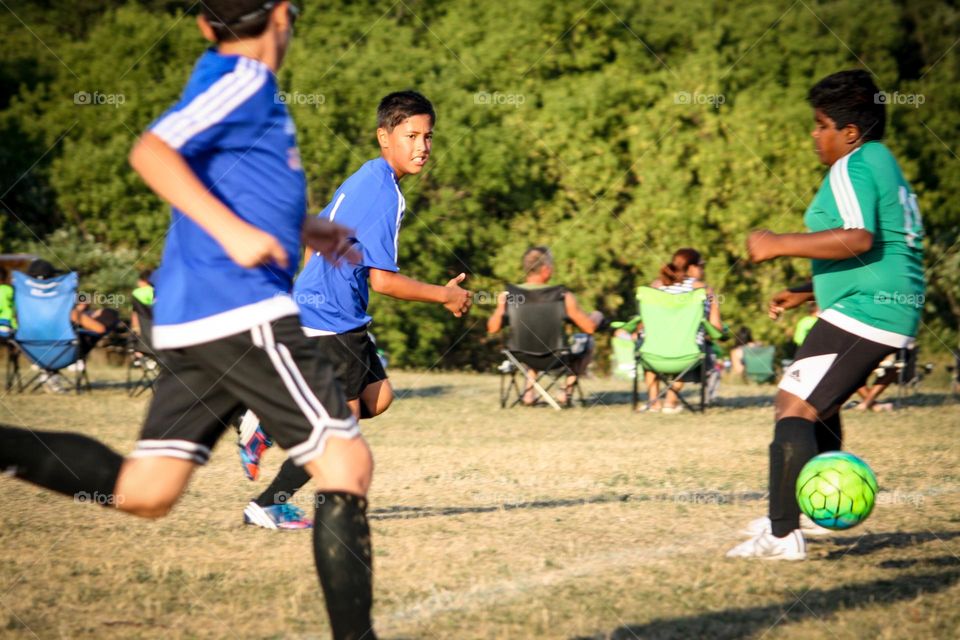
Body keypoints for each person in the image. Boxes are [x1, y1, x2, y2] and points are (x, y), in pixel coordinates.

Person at [0, 3, 381, 638]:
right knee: (346, 466)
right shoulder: (244, 77)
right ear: (284, 14)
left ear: (205, 25)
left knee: (145, 490)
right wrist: (233, 233)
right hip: (239, 307)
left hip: (195, 318)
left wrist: (306, 228)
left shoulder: (235, 83)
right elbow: (152, 152)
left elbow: (235, 183)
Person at [240, 90, 473, 529]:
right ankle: (268, 502)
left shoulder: (367, 176)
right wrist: (445, 295)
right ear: (384, 137)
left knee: (377, 398)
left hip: (333, 314)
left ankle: (272, 419)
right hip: (332, 321)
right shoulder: (386, 196)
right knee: (339, 431)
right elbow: (383, 281)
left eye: (428, 136)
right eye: (411, 135)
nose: (422, 146)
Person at [729, 69, 925, 560]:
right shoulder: (882, 161)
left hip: (870, 309)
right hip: (880, 304)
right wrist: (805, 290)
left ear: (850, 132)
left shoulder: (853, 165)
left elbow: (858, 237)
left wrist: (777, 245)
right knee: (821, 407)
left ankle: (781, 534)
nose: (815, 135)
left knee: (793, 407)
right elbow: (879, 248)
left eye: (821, 125)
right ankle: (813, 511)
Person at [487, 246, 603, 405]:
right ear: (546, 270)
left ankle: (529, 394)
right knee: (587, 342)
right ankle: (565, 391)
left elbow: (492, 328)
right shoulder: (562, 295)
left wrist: (501, 307)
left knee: (532, 341)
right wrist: (597, 316)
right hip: (556, 356)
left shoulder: (510, 296)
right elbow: (589, 328)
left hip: (520, 354)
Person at [643, 248, 723, 412]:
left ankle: (654, 401)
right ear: (692, 268)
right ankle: (670, 401)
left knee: (645, 339)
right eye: (702, 265)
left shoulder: (655, 286)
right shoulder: (704, 290)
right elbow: (716, 327)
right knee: (696, 343)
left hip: (652, 353)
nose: (703, 270)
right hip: (687, 354)